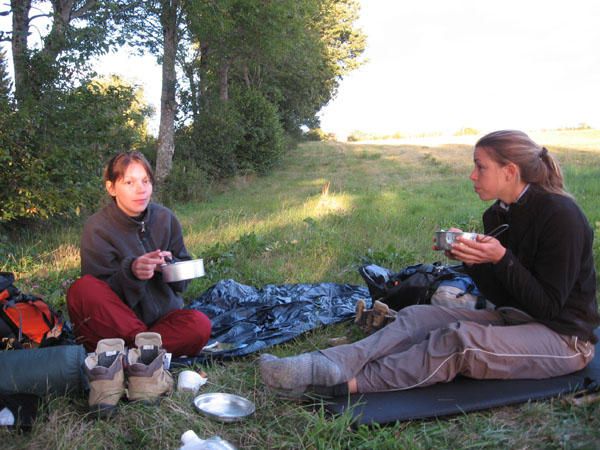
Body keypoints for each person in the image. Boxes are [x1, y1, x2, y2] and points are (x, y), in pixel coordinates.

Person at [259, 130, 599, 397]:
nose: (472, 175)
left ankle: (342, 385)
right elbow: (505, 296)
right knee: (419, 317)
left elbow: (549, 307)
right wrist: (475, 261)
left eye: (480, 167)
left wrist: (501, 258)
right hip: (516, 316)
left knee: (459, 341)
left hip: (564, 337)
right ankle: (330, 365)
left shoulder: (561, 216)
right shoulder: (498, 213)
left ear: (510, 171)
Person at [67, 151, 211, 357]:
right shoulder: (97, 228)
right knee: (82, 288)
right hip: (117, 325)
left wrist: (169, 267)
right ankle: (145, 349)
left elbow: (182, 284)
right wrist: (132, 271)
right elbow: (99, 295)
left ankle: (129, 354)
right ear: (111, 187)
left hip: (161, 321)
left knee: (200, 325)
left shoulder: (165, 218)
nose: (141, 190)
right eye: (129, 183)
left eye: (146, 181)